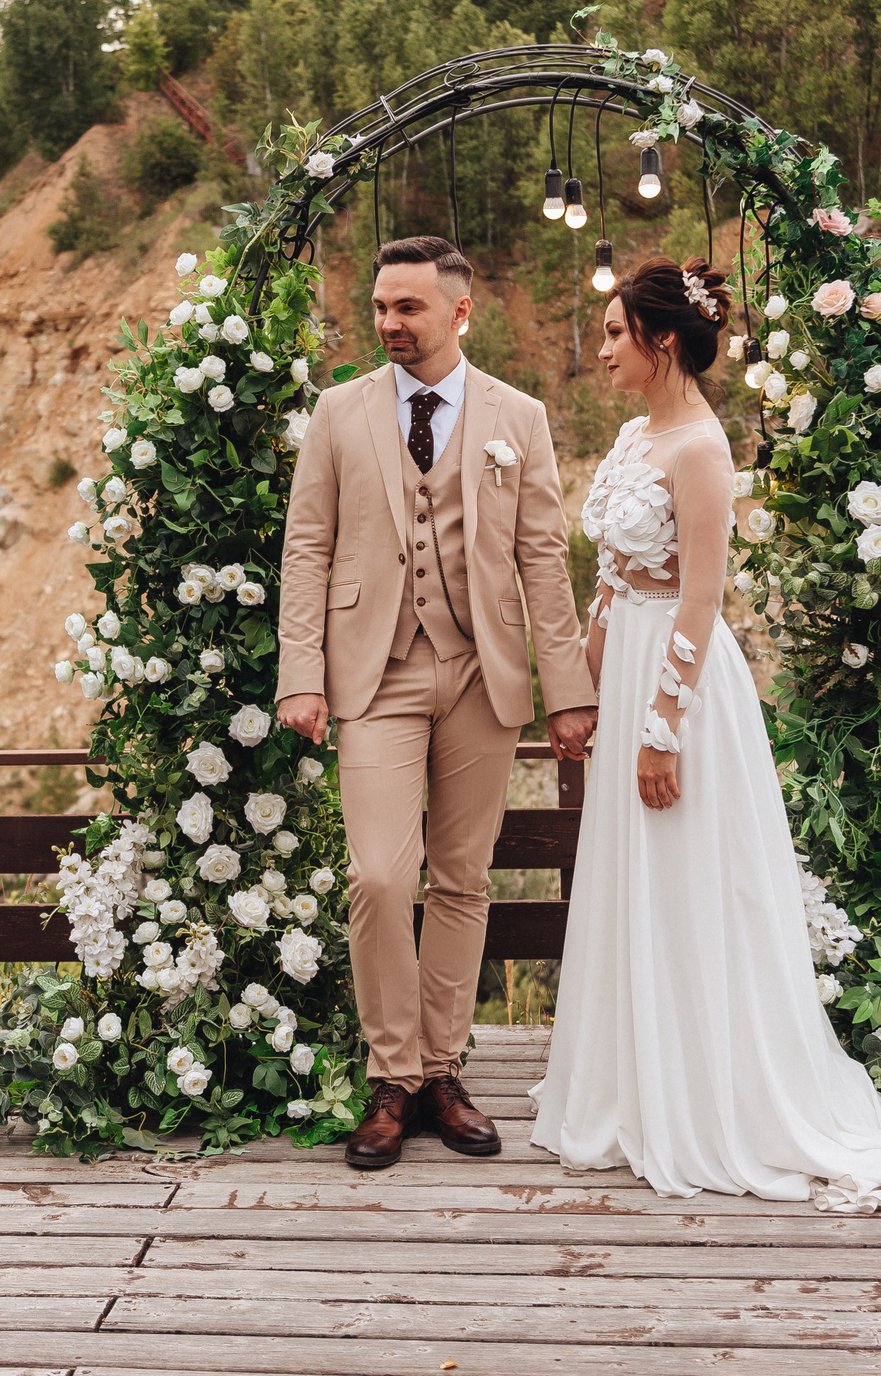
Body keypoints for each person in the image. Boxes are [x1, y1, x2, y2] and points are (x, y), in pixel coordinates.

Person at [527, 257, 881, 1207]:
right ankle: (631, 1085)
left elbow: (701, 598)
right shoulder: (635, 437)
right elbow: (610, 583)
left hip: (680, 689)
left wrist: (659, 730)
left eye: (612, 334)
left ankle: (710, 1097)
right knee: (630, 878)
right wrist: (585, 686)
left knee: (687, 880)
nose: (600, 352)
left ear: (663, 339)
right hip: (625, 666)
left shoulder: (702, 451)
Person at [276, 235, 599, 1171]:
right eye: (381, 305)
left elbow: (544, 556)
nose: (389, 323)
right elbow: (307, 548)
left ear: (460, 312)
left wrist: (566, 689)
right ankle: (391, 1077)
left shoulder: (519, 416)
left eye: (408, 308)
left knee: (462, 877)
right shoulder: (338, 414)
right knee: (380, 876)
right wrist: (303, 673)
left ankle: (442, 1071)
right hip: (371, 672)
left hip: (482, 670)